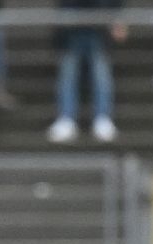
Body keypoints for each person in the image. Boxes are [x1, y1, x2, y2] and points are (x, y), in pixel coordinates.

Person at [48, 0, 126, 143]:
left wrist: (116, 17)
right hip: (73, 22)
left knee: (100, 73)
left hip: (99, 20)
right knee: (69, 73)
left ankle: (101, 117)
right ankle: (67, 117)